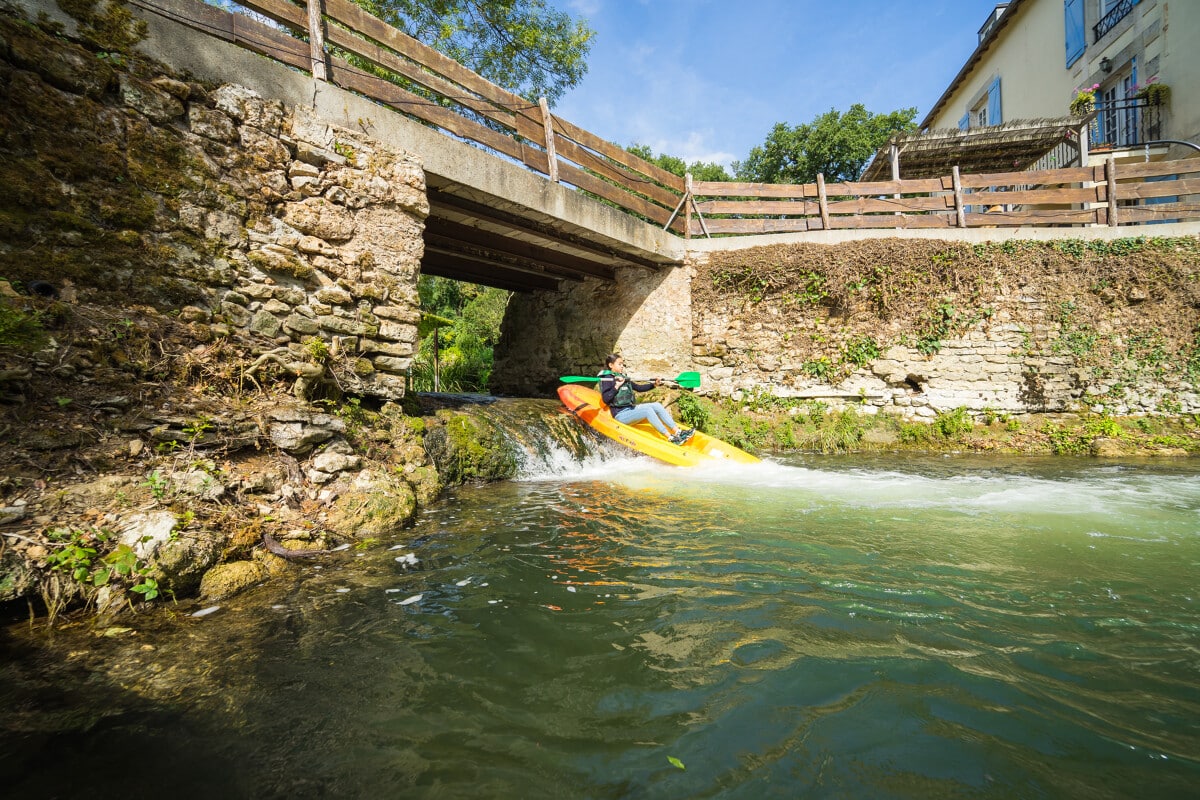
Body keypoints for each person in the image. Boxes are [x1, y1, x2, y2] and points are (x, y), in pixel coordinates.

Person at [598, 354, 694, 445]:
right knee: (647, 410)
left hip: (631, 409)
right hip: (620, 415)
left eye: (623, 364)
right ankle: (671, 438)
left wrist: (654, 384)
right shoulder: (607, 379)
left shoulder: (623, 378)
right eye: (619, 364)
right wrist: (617, 386)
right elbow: (606, 399)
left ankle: (677, 432)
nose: (622, 366)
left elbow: (639, 388)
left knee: (656, 405)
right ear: (611, 365)